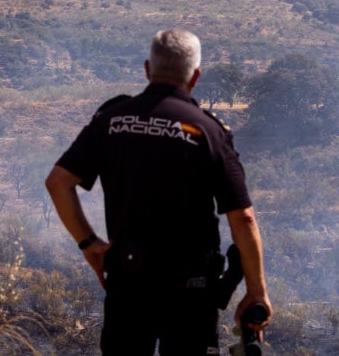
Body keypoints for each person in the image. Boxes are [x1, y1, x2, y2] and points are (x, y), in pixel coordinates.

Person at [46, 29, 271, 355]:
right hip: (190, 294)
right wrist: (257, 291)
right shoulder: (208, 131)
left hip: (128, 285)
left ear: (147, 69)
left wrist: (89, 244)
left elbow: (58, 182)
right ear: (195, 76)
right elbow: (244, 218)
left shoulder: (112, 119)